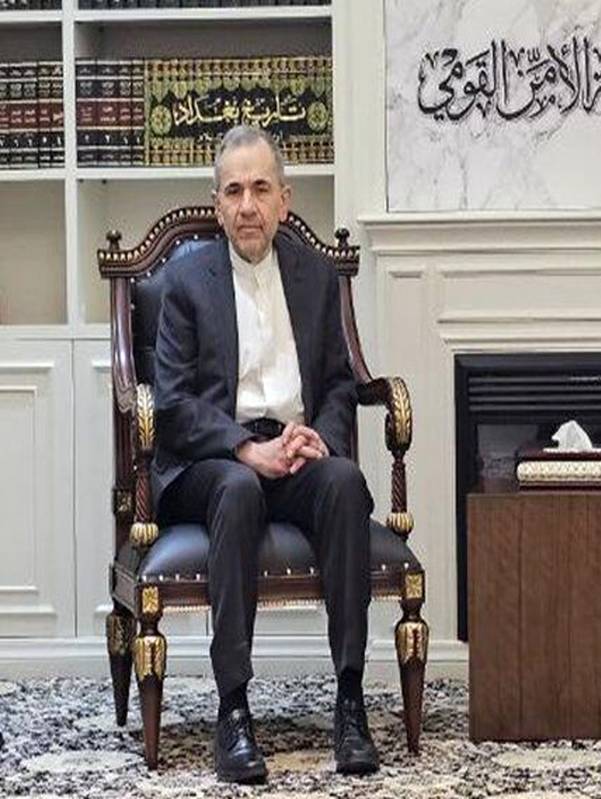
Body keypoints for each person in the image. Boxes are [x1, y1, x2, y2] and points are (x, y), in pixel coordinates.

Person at [153, 125, 378, 783]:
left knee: (345, 483)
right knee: (238, 488)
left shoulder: (316, 276)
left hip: (297, 447)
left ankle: (350, 702)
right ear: (216, 204)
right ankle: (234, 710)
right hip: (212, 460)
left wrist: (318, 438)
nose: (247, 205)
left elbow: (338, 382)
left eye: (259, 189)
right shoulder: (185, 280)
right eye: (233, 191)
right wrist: (245, 448)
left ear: (285, 198)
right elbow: (172, 404)